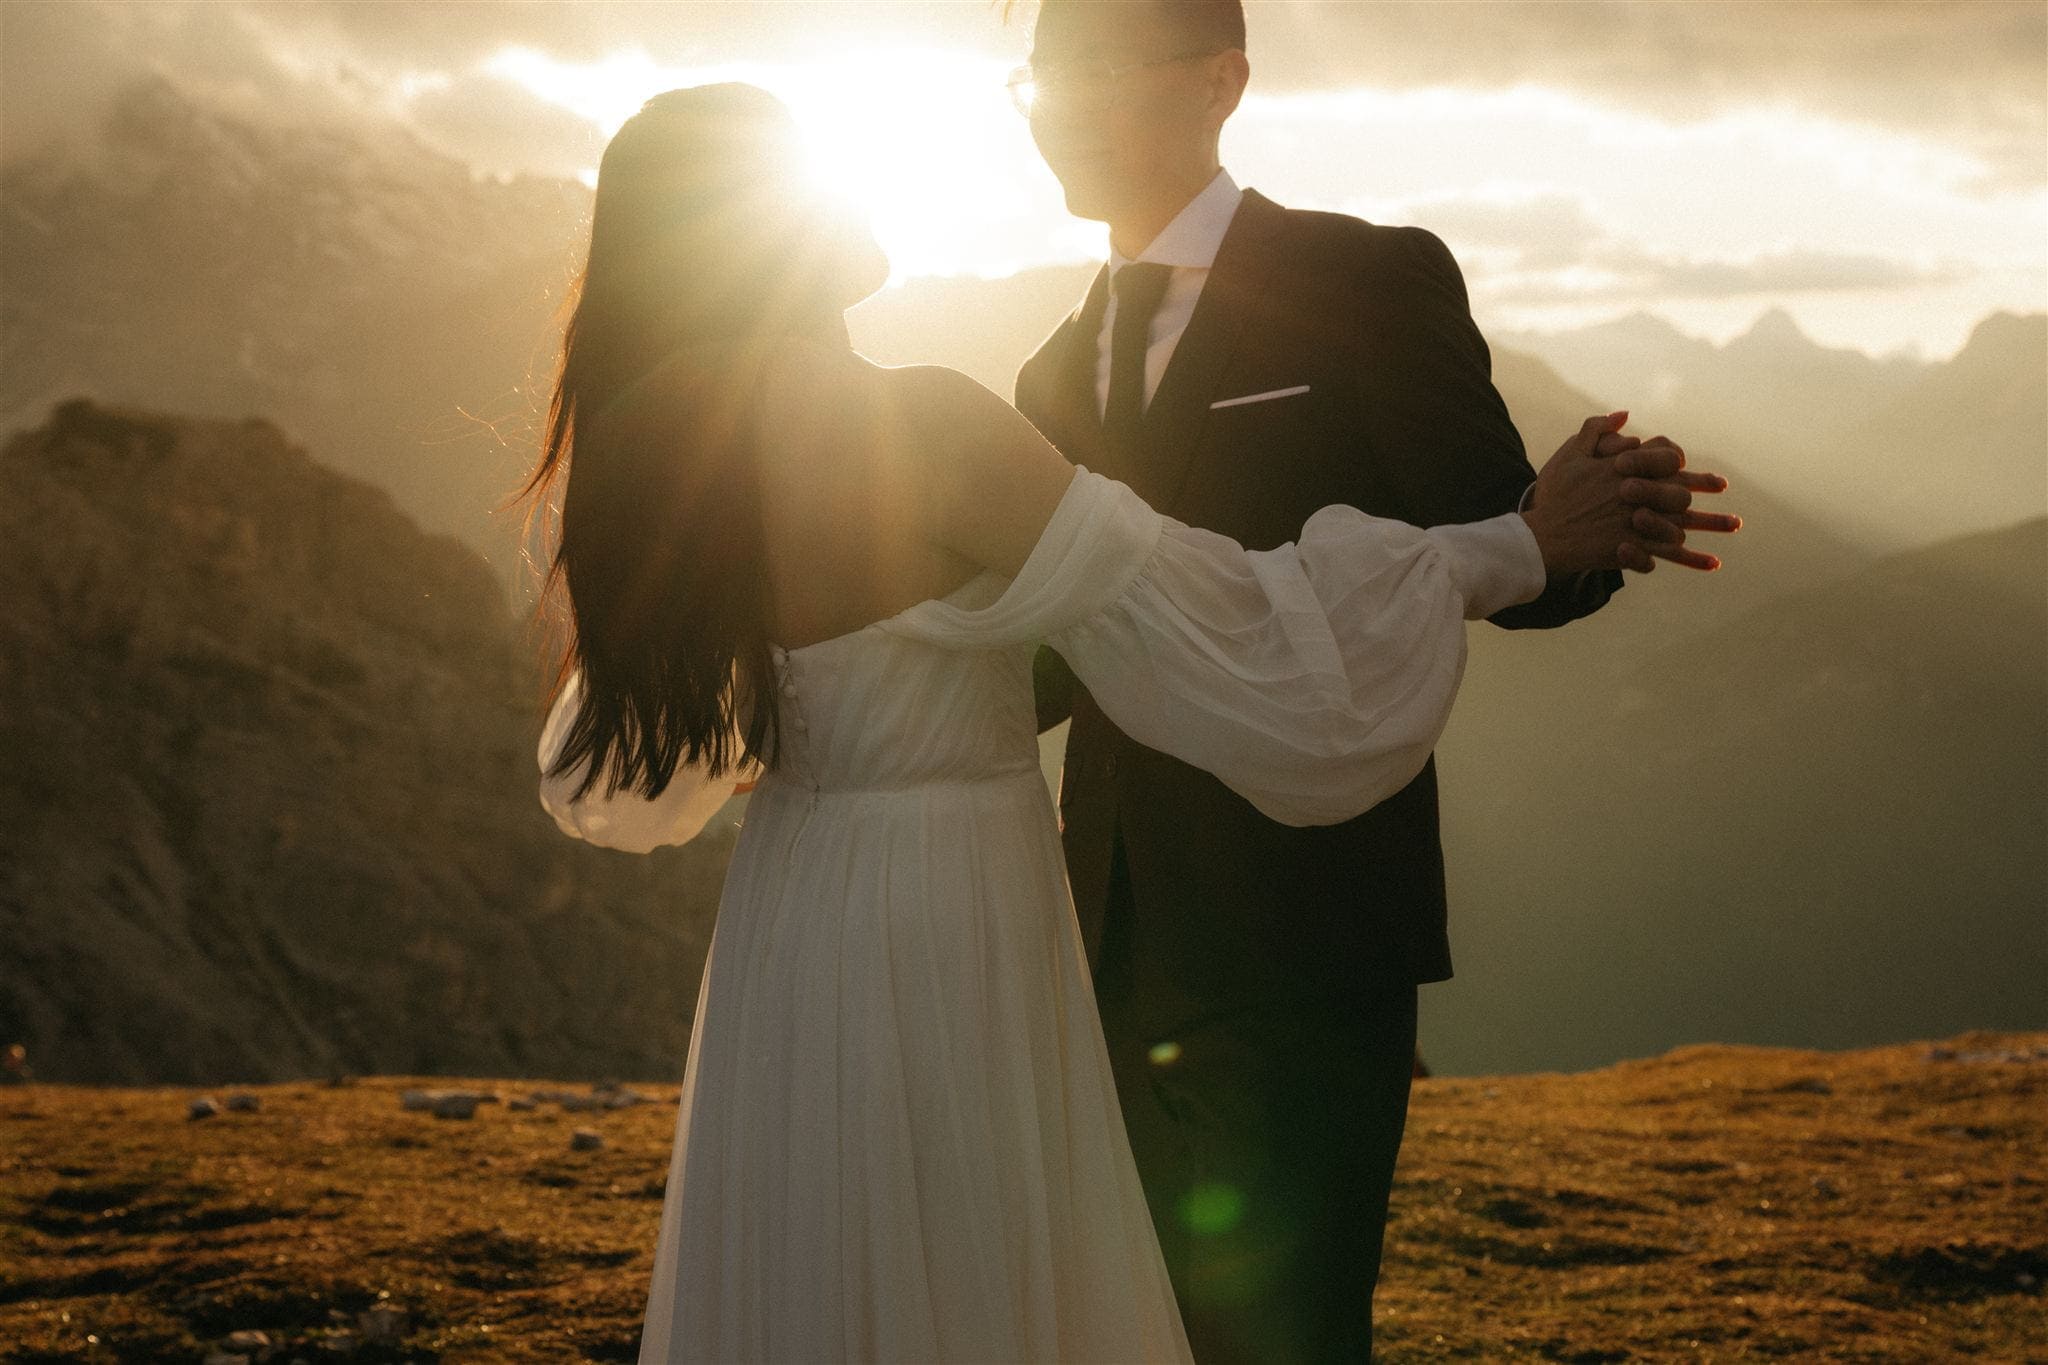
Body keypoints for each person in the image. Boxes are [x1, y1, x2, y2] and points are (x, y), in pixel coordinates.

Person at [522, 84, 1731, 1364]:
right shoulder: (923, 422)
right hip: (950, 911)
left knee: (827, 1266)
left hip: (797, 910)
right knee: (976, 1276)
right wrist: (1521, 544)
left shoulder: (661, 466)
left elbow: (910, 673)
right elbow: (1210, 613)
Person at [1009, 3, 1734, 1359]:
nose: (1056, 103)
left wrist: (1575, 523)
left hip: (1306, 917)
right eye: (1040, 75)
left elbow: (1505, 542)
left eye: (1094, 69)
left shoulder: (1365, 279)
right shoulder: (1051, 367)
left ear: (1222, 80)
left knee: (1289, 1330)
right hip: (1109, 932)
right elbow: (1059, 652)